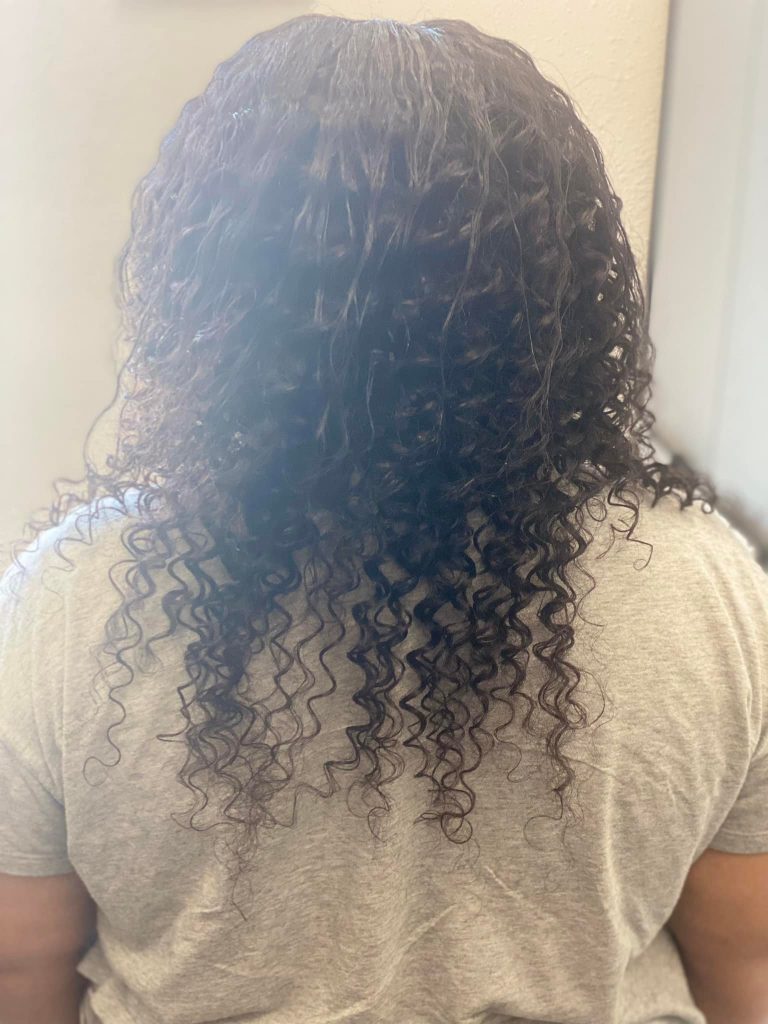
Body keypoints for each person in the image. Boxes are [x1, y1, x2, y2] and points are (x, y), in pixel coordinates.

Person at [0, 13, 766, 1024]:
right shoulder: (709, 586)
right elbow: (744, 957)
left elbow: (22, 961)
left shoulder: (72, 597)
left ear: (212, 293)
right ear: (566, 292)